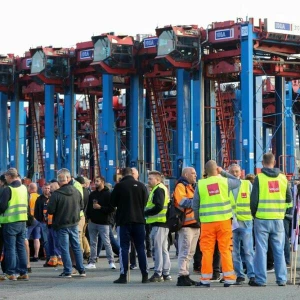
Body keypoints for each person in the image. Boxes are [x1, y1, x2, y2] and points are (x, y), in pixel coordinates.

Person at [193, 160, 240, 288]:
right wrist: (223, 172)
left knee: (207, 251)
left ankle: (205, 279)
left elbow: (195, 205)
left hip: (207, 222)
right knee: (225, 249)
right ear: (217, 169)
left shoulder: (201, 184)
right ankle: (229, 278)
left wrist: (198, 220)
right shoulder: (224, 181)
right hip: (224, 221)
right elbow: (238, 181)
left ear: (205, 171)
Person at [250, 152, 292, 287]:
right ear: (274, 163)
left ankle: (261, 279)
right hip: (278, 219)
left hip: (261, 218)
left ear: (263, 163)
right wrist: (282, 211)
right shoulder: (283, 178)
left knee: (261, 249)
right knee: (279, 249)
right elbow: (289, 199)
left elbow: (254, 200)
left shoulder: (259, 178)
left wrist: (254, 213)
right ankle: (281, 279)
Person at [111, 167, 149, 284]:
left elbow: (112, 203)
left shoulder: (119, 186)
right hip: (139, 220)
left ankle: (123, 275)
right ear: (132, 174)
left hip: (124, 221)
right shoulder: (142, 186)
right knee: (141, 248)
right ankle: (145, 275)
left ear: (122, 175)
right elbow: (146, 201)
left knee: (124, 248)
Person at [47, 168, 86, 278]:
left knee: (64, 248)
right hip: (74, 223)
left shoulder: (56, 194)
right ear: (68, 179)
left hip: (61, 224)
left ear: (59, 181)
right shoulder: (76, 192)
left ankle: (68, 270)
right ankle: (81, 269)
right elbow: (82, 206)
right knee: (76, 246)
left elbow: (50, 210)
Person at [226, 163, 255, 284]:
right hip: (231, 222)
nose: (234, 173)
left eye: (237, 171)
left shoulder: (247, 184)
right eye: (232, 171)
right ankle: (239, 275)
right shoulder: (225, 185)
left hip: (245, 221)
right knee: (234, 252)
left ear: (241, 172)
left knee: (248, 250)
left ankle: (252, 275)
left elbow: (253, 200)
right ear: (228, 172)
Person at [0, 168, 29, 281]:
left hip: (10, 221)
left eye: (6, 177)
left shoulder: (9, 189)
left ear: (9, 176)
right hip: (22, 221)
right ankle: (24, 272)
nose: (5, 179)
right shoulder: (23, 188)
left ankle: (11, 273)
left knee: (10, 248)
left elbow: (2, 206)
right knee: (21, 247)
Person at [173, 167, 200, 286]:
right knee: (185, 251)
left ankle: (186, 274)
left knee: (190, 252)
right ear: (186, 174)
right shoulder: (181, 186)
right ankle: (182, 276)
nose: (195, 175)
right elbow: (181, 202)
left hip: (194, 224)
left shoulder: (191, 186)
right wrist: (197, 201)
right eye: (193, 173)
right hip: (186, 225)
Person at [145, 170, 171, 283]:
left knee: (158, 248)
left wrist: (146, 213)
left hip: (159, 222)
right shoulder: (160, 188)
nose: (148, 181)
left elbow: (159, 206)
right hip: (162, 223)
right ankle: (165, 273)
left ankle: (158, 273)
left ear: (157, 179)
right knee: (163, 249)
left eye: (151, 179)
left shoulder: (158, 189)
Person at [85, 176, 116, 270]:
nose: (95, 183)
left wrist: (100, 208)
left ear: (102, 182)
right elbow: (89, 207)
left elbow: (112, 209)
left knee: (107, 242)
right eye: (95, 181)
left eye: (97, 181)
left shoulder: (108, 194)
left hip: (104, 222)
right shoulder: (92, 194)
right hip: (93, 222)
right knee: (93, 243)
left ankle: (111, 262)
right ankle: (92, 261)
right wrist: (88, 218)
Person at [34, 182, 51, 265]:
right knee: (46, 241)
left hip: (53, 223)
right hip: (43, 223)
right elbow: (36, 211)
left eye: (48, 188)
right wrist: (40, 220)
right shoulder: (39, 199)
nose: (47, 190)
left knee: (53, 241)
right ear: (42, 189)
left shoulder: (53, 198)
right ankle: (48, 258)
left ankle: (54, 257)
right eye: (45, 188)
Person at [76, 176, 91, 260]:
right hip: (85, 216)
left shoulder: (80, 191)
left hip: (81, 215)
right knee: (83, 235)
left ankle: (81, 252)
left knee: (80, 235)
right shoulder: (87, 192)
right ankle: (88, 251)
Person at [27, 183, 41, 262]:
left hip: (31, 219)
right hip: (38, 219)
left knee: (26, 238)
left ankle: (27, 256)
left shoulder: (30, 197)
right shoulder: (39, 197)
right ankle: (36, 255)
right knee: (36, 238)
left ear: (30, 188)